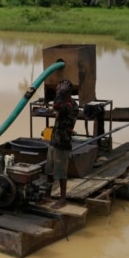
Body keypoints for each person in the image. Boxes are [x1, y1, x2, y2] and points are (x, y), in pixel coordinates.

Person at [44, 79, 79, 208]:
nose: (57, 91)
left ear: (66, 92)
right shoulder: (66, 103)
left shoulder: (70, 105)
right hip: (54, 140)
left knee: (61, 172)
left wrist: (61, 92)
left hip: (63, 143)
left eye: (59, 89)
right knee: (49, 170)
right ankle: (47, 195)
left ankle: (62, 199)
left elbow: (56, 106)